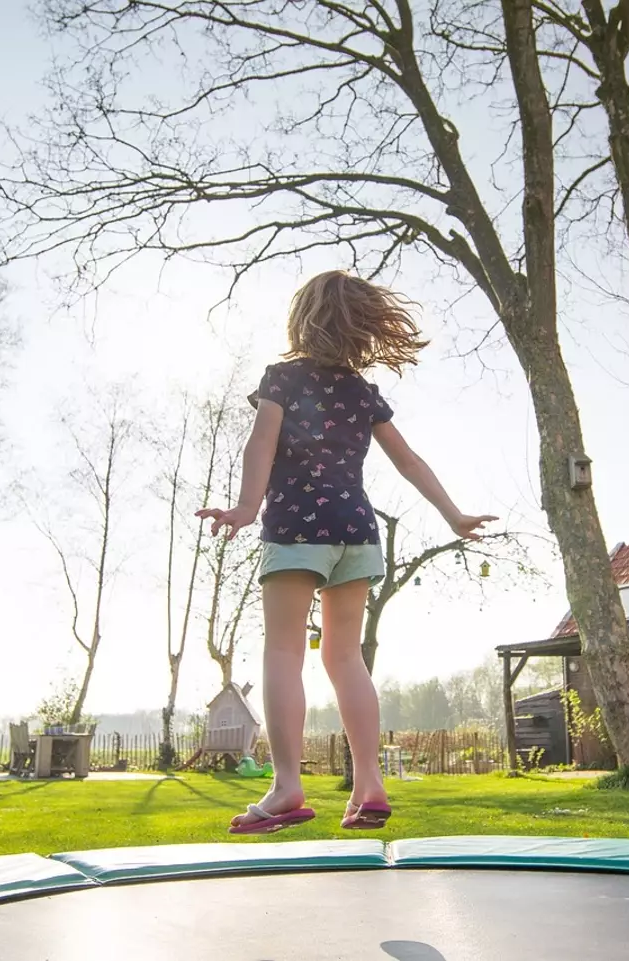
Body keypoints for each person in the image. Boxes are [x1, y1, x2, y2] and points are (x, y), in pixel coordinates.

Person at [196, 270, 495, 834]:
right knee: (345, 657)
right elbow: (409, 461)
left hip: (297, 529)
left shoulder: (282, 379)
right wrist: (452, 514)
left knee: (284, 653)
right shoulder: (363, 392)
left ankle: (286, 786)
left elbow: (260, 442)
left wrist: (243, 508)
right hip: (356, 530)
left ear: (303, 319)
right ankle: (369, 784)